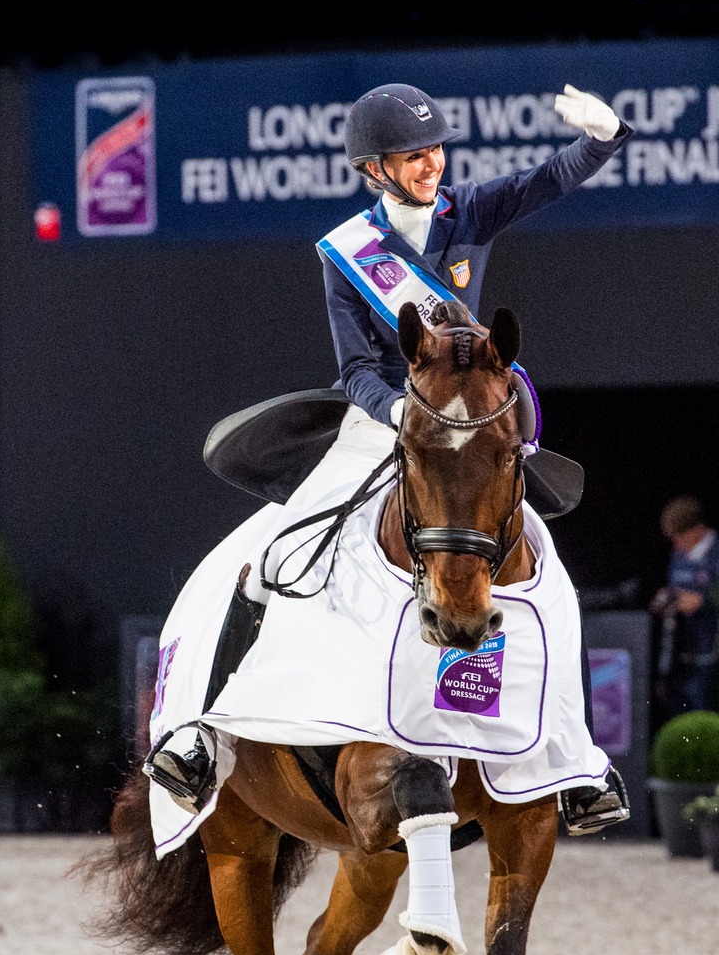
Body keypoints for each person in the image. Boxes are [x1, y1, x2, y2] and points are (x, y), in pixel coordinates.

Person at [150, 82, 633, 836]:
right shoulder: (347, 253)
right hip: (383, 421)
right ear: (374, 169)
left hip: (464, 423)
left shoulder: (470, 212)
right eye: (413, 156)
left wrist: (601, 140)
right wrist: (397, 412)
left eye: (435, 150)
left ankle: (577, 764)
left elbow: (548, 181)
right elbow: (355, 371)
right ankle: (203, 735)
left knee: (549, 576)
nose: (431, 164)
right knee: (271, 557)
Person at [651, 497, 719, 716]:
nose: (677, 544)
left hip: (711, 656)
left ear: (697, 529)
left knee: (704, 713)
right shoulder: (678, 556)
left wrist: (703, 602)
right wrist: (667, 599)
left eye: (680, 537)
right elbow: (676, 590)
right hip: (679, 655)